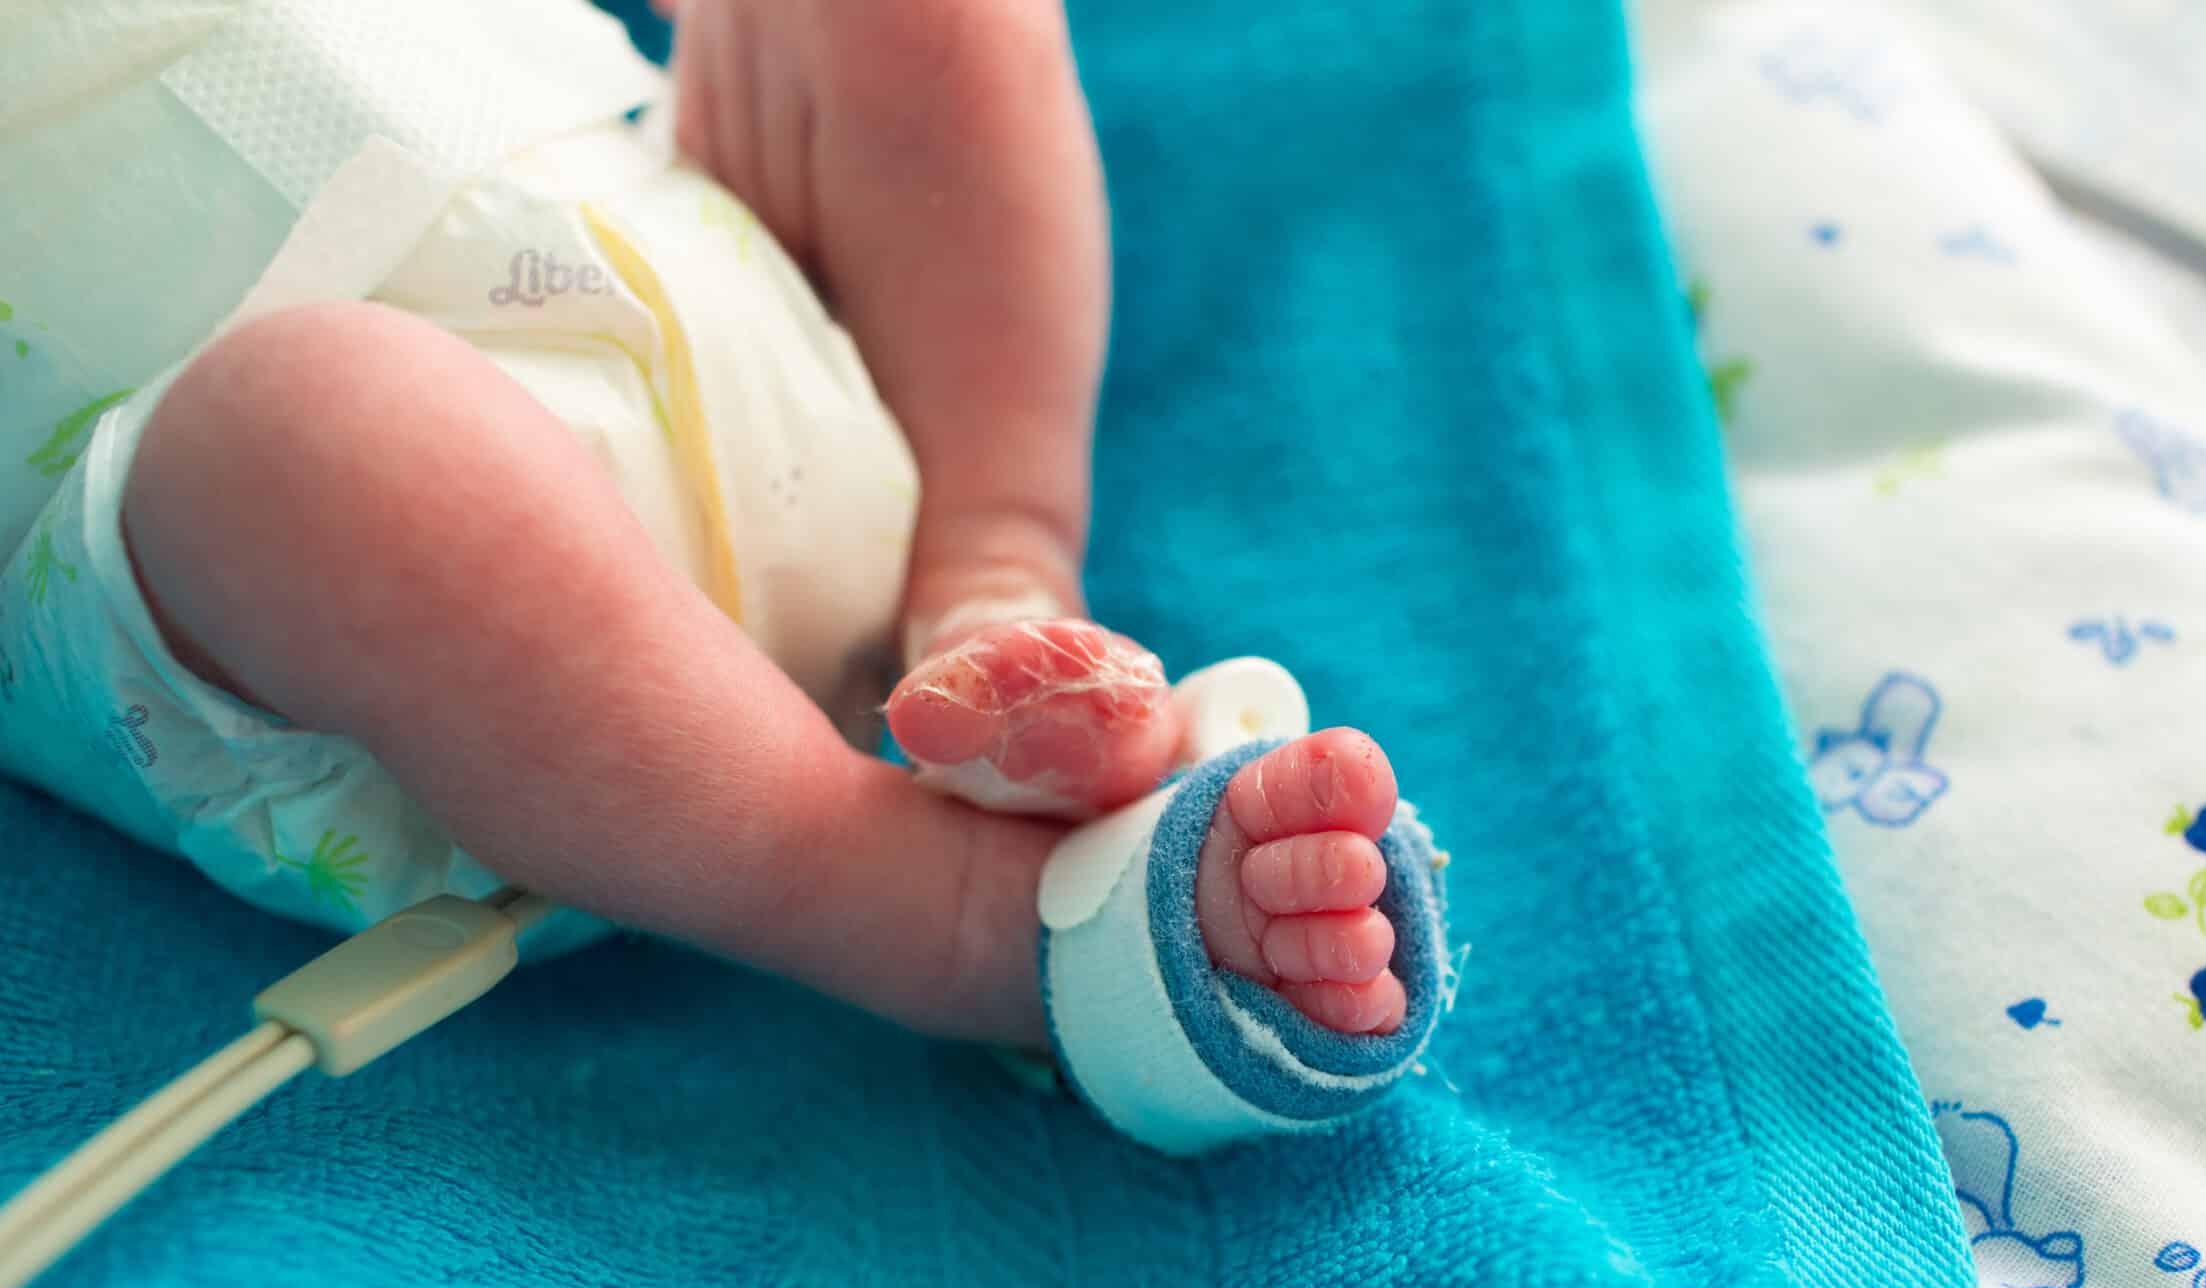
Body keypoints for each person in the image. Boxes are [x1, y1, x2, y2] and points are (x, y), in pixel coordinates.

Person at [0, 0, 1413, 1052]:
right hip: (391, 655)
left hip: (707, 266)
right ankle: (930, 904)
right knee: (309, 429)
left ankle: (993, 568)